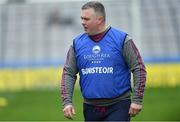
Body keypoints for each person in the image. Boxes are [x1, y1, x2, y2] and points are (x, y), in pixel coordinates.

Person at [61, 1, 146, 121]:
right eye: (82, 18)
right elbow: (68, 73)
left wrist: (137, 100)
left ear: (99, 20)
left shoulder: (122, 39)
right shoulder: (77, 43)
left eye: (86, 19)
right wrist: (67, 102)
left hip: (119, 105)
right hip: (90, 108)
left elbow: (138, 68)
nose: (82, 22)